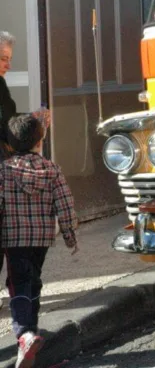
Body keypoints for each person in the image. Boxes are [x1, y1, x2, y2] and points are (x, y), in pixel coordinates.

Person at [1, 113, 78, 368]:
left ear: (10, 144)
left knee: (18, 284)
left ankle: (24, 334)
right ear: (40, 139)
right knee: (33, 282)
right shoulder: (52, 169)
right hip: (42, 238)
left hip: (14, 238)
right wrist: (69, 235)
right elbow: (65, 204)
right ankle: (31, 332)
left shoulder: (4, 170)